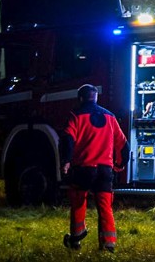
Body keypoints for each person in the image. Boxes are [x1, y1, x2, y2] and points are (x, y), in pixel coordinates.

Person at [59, 84, 128, 252]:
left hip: (83, 168)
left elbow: (68, 138)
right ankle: (109, 243)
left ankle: (76, 237)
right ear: (96, 97)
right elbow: (124, 145)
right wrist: (120, 163)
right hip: (105, 169)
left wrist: (66, 161)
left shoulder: (75, 115)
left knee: (78, 201)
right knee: (105, 206)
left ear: (80, 98)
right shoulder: (110, 117)